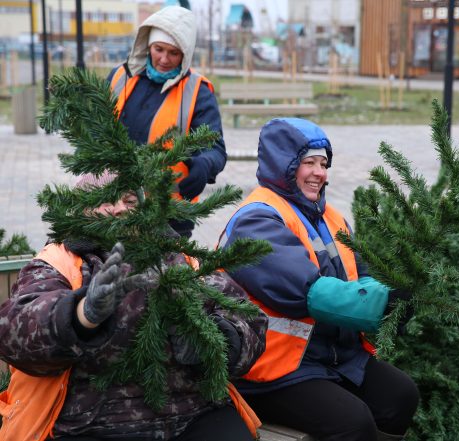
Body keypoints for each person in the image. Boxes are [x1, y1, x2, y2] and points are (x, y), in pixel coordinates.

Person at [0, 172, 267, 441]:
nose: (118, 209)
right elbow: (14, 332)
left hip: (192, 412)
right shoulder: (60, 261)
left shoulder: (182, 258)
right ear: (83, 208)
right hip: (91, 422)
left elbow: (248, 320)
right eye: (105, 200)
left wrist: (214, 340)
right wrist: (82, 315)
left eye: (129, 201)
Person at [217, 118, 419, 441]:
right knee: (353, 423)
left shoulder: (331, 218)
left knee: (400, 397)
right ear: (283, 164)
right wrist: (379, 302)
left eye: (323, 163)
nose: (319, 173)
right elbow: (308, 291)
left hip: (332, 356)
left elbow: (361, 278)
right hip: (273, 367)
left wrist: (397, 297)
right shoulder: (255, 220)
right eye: (308, 162)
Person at [107, 5, 226, 238]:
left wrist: (204, 164)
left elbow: (215, 147)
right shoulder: (119, 78)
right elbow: (94, 128)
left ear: (186, 54)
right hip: (112, 204)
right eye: (158, 49)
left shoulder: (197, 92)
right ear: (147, 45)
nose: (164, 59)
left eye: (174, 53)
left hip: (169, 213)